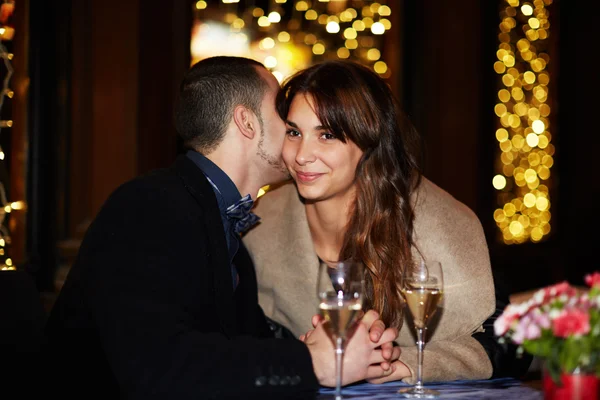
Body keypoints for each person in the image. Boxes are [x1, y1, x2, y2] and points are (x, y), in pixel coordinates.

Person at [42, 56, 401, 399]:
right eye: (284, 116)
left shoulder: (224, 224)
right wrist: (314, 363)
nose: (295, 127)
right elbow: (154, 370)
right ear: (246, 122)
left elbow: (242, 351)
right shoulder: (148, 206)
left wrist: (352, 352)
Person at [243, 59, 522, 384]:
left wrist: (404, 365)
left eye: (327, 135)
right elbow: (243, 337)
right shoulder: (263, 219)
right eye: (294, 132)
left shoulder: (438, 223)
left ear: (368, 141)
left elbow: (509, 343)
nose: (302, 154)